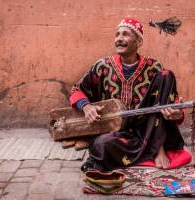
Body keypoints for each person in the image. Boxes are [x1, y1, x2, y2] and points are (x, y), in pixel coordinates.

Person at [70, 17, 185, 172]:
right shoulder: (103, 66)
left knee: (166, 75)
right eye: (117, 35)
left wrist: (177, 114)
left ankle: (158, 149)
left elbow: (173, 101)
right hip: (119, 133)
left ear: (139, 42)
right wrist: (86, 106)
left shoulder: (154, 67)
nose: (119, 39)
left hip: (149, 130)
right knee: (99, 145)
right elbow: (76, 90)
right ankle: (145, 152)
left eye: (125, 34)